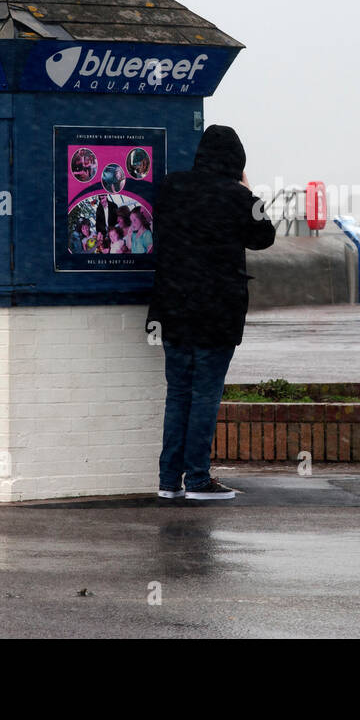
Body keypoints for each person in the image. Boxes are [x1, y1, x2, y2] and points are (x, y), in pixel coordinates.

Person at [146, 125, 275, 501]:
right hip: (216, 312)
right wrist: (248, 193)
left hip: (172, 309)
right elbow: (263, 236)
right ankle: (199, 479)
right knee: (204, 395)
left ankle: (169, 481)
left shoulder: (171, 188)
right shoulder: (237, 197)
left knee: (178, 395)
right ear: (238, 161)